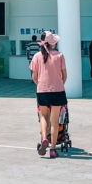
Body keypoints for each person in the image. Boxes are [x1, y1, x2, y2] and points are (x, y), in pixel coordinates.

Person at [30, 31, 67, 159]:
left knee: (44, 117)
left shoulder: (36, 56)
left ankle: (44, 139)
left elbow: (34, 77)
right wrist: (59, 84)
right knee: (55, 121)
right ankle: (52, 149)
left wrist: (40, 85)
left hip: (42, 91)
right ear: (53, 43)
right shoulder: (60, 56)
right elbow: (64, 75)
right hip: (57, 90)